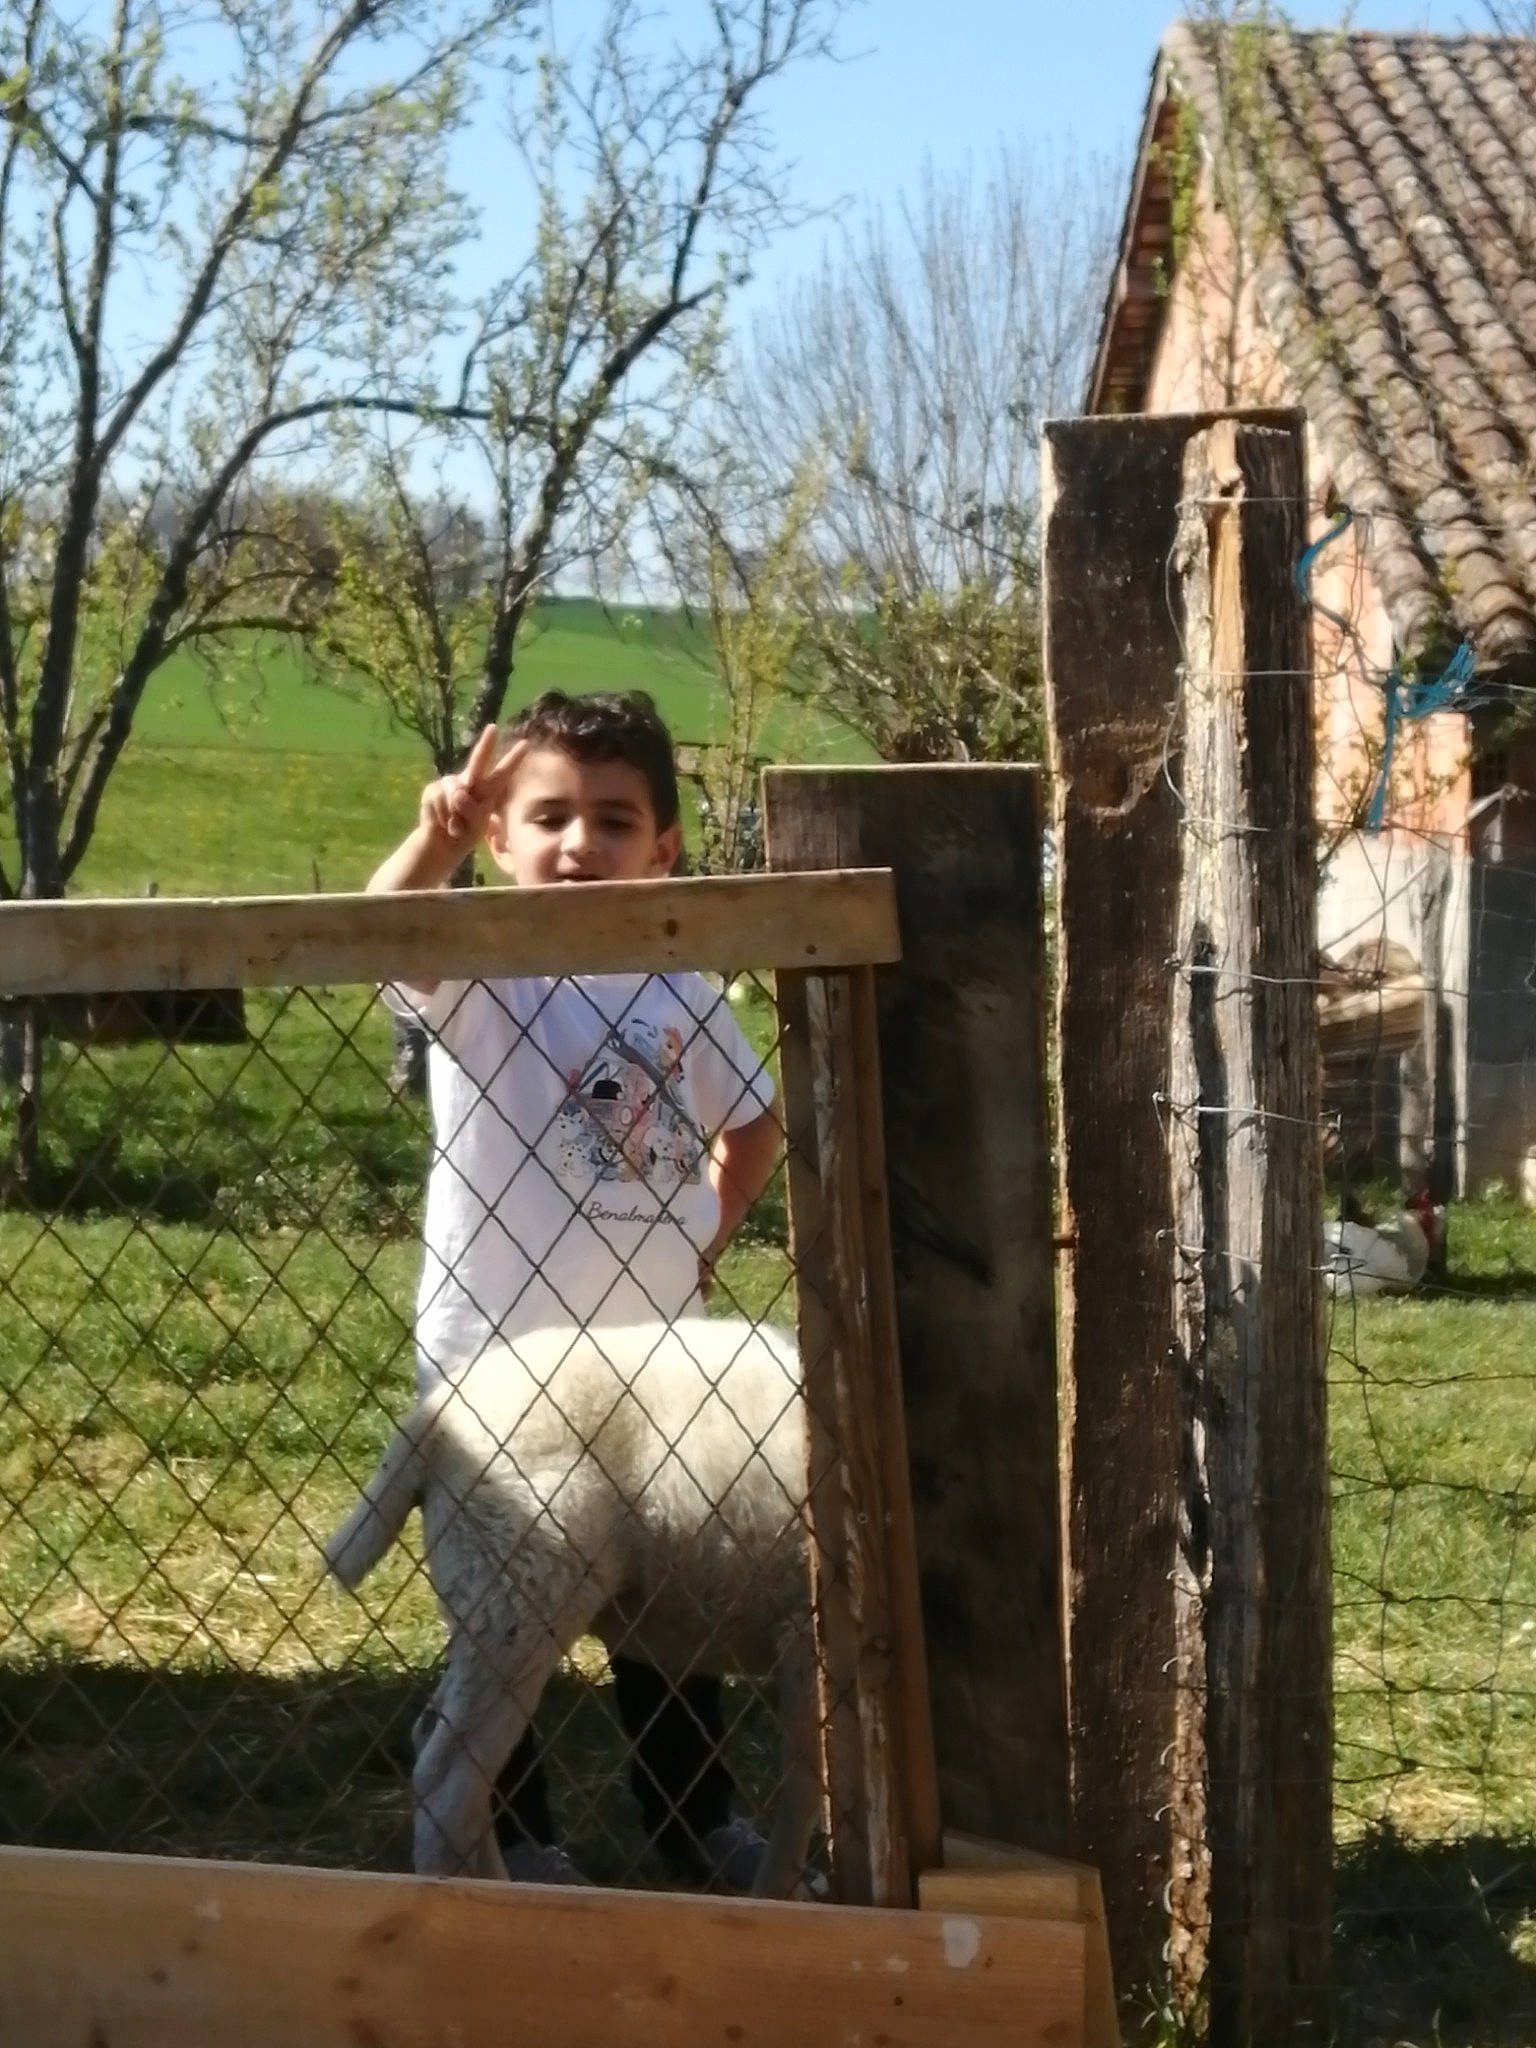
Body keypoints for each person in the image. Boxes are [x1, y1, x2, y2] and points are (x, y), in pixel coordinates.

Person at [367, 688, 783, 1891]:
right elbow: (384, 930)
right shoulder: (484, 975)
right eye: (547, 814)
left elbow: (753, 1123)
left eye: (614, 819)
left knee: (672, 1615)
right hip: (499, 1369)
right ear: (502, 836)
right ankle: (514, 1822)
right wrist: (435, 839)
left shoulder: (682, 988)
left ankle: (698, 1815)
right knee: (510, 1617)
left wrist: (707, 1228)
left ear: (663, 850)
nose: (578, 843)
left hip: (654, 1386)